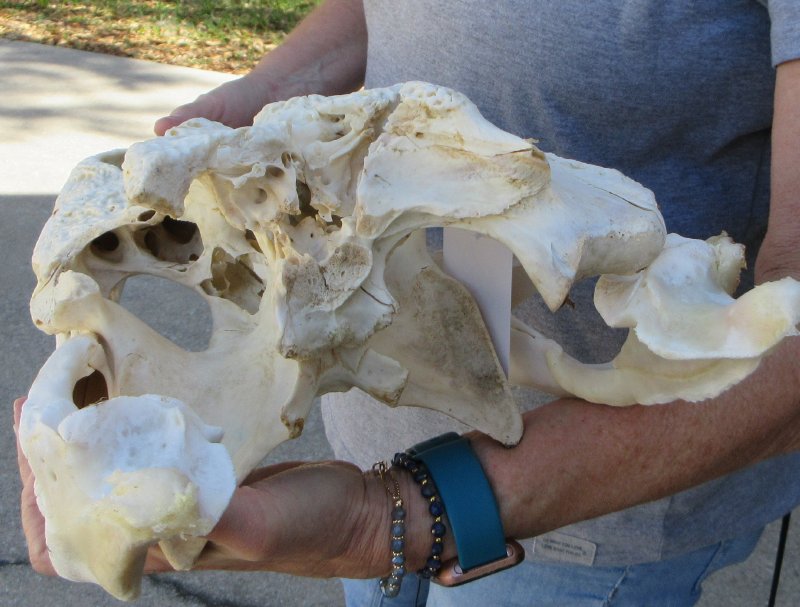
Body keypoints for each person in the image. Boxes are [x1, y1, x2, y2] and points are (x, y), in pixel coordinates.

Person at [16, 1, 800, 605]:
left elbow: (790, 323)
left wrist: (391, 519)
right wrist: (267, 95)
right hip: (367, 440)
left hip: (593, 515)